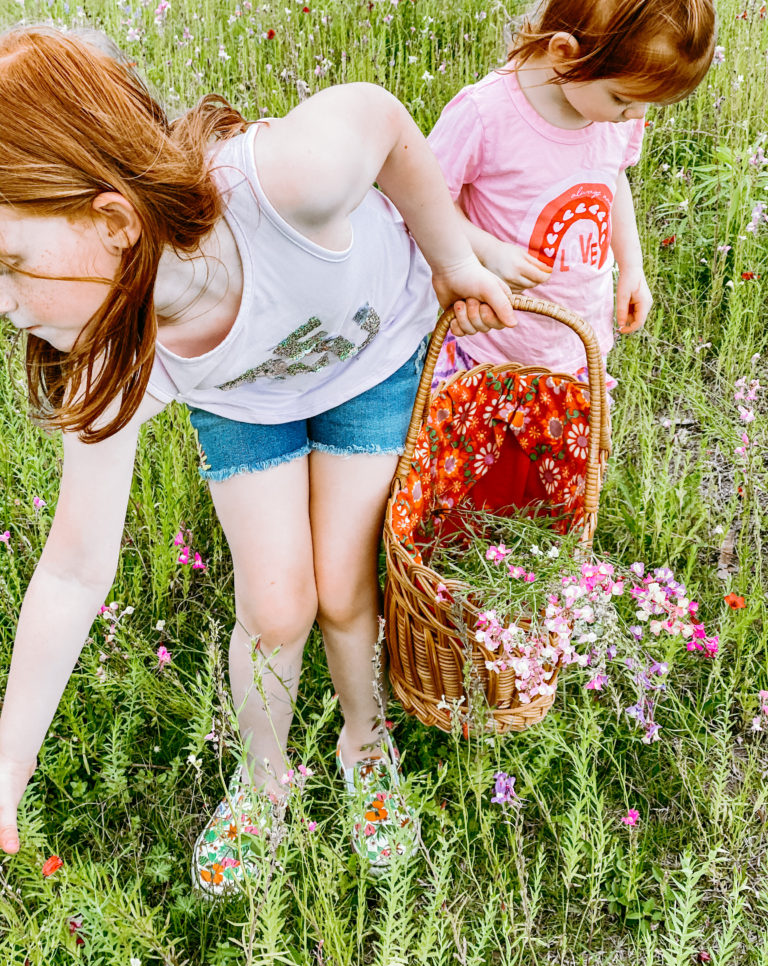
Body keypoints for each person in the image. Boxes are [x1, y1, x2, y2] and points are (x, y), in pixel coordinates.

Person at [0, 25, 516, 894]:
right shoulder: (109, 349)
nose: (7, 306)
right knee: (278, 607)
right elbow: (72, 570)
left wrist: (455, 256)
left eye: (11, 263)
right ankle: (265, 777)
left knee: (348, 588)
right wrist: (6, 768)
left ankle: (365, 740)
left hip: (367, 360)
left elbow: (385, 121)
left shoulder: (284, 181)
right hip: (248, 401)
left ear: (114, 222)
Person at [428, 0, 716, 386]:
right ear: (564, 54)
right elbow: (425, 202)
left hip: (575, 346)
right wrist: (486, 250)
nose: (638, 114)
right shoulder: (486, 114)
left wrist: (631, 265)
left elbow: (612, 180)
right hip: (488, 347)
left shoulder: (613, 120)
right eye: (622, 98)